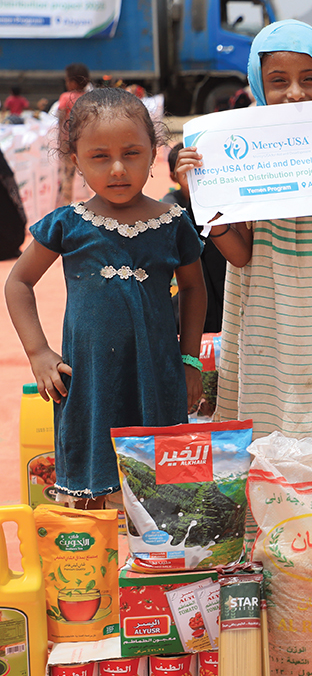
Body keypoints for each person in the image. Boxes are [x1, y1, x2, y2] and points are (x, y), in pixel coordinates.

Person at [175, 20, 312, 441]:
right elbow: (242, 255)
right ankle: (264, 508)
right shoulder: (235, 156)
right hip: (263, 312)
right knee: (262, 416)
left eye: (310, 79)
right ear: (257, 84)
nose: (295, 92)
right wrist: (208, 202)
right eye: (278, 81)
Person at [4, 88, 207, 507]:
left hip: (158, 375)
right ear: (74, 160)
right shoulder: (67, 225)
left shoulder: (173, 223)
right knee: (91, 492)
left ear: (153, 153)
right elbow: (18, 284)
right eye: (100, 156)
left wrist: (188, 360)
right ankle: (99, 563)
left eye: (131, 153)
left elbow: (193, 289)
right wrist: (38, 351)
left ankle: (159, 562)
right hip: (89, 379)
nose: (118, 169)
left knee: (161, 490)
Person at [163, 142, 226, 335]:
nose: (195, 174)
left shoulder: (222, 200)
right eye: (187, 172)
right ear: (174, 176)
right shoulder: (169, 207)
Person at [56, 63, 93, 207]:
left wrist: (60, 140)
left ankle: (67, 205)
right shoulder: (90, 98)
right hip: (88, 142)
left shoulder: (65, 97)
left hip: (69, 143)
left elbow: (60, 119)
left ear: (71, 82)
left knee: (68, 176)